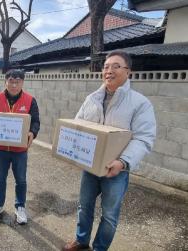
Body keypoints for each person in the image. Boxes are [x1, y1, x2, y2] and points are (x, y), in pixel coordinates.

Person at [62, 51, 156, 251]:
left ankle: (100, 248)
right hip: (90, 166)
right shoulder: (92, 99)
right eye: (106, 66)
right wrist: (71, 150)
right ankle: (81, 241)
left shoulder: (140, 103)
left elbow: (144, 138)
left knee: (110, 215)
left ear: (128, 71)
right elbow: (78, 126)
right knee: (84, 206)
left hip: (116, 171)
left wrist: (122, 162)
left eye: (115, 66)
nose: (109, 71)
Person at [0, 69, 40, 225]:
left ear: (22, 82)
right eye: (11, 81)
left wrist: (32, 132)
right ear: (6, 81)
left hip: (20, 151)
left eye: (17, 81)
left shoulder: (30, 100)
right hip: (1, 149)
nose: (14, 84)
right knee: (0, 179)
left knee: (21, 180)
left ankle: (20, 206)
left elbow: (36, 121)